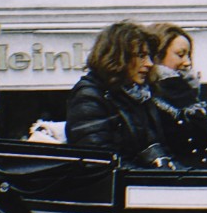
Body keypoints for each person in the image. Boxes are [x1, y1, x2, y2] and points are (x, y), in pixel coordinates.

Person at [66, 21, 193, 168]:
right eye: (141, 56)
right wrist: (154, 180)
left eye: (149, 56)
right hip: (119, 189)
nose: (149, 63)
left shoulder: (139, 96)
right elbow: (99, 163)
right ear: (119, 56)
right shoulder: (89, 98)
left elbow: (159, 148)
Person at [146, 22, 207, 166]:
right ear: (157, 55)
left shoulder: (188, 95)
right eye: (180, 55)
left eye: (189, 55)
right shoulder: (147, 97)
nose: (187, 62)